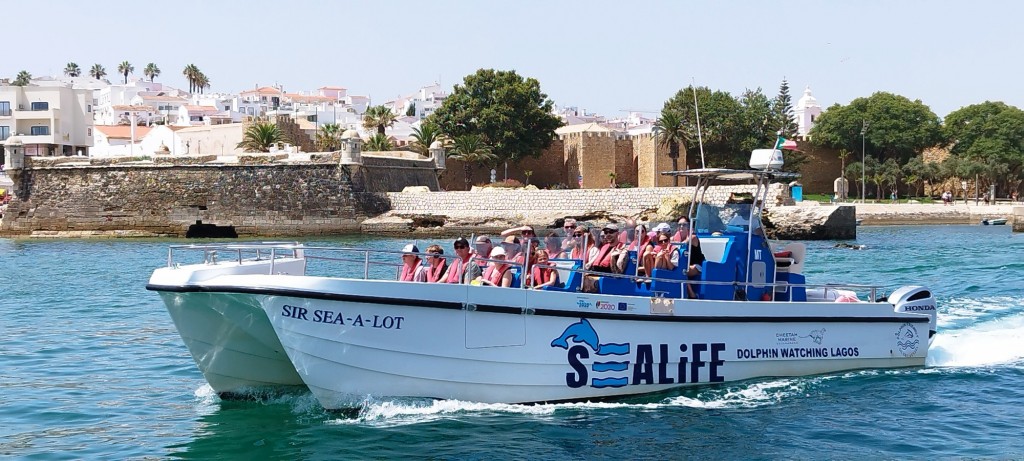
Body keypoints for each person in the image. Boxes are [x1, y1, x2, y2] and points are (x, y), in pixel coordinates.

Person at [582, 223, 628, 292]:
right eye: (606, 232)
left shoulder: (622, 249)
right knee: (579, 276)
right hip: (596, 273)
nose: (608, 234)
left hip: (608, 277)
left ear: (617, 233)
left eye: (611, 232)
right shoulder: (604, 247)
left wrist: (613, 258)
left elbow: (618, 273)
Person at [675, 219, 706, 298]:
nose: (681, 226)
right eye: (679, 224)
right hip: (685, 265)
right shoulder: (676, 238)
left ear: (689, 226)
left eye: (684, 224)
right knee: (677, 269)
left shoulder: (693, 237)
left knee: (682, 271)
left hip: (697, 266)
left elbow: (684, 244)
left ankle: (692, 294)